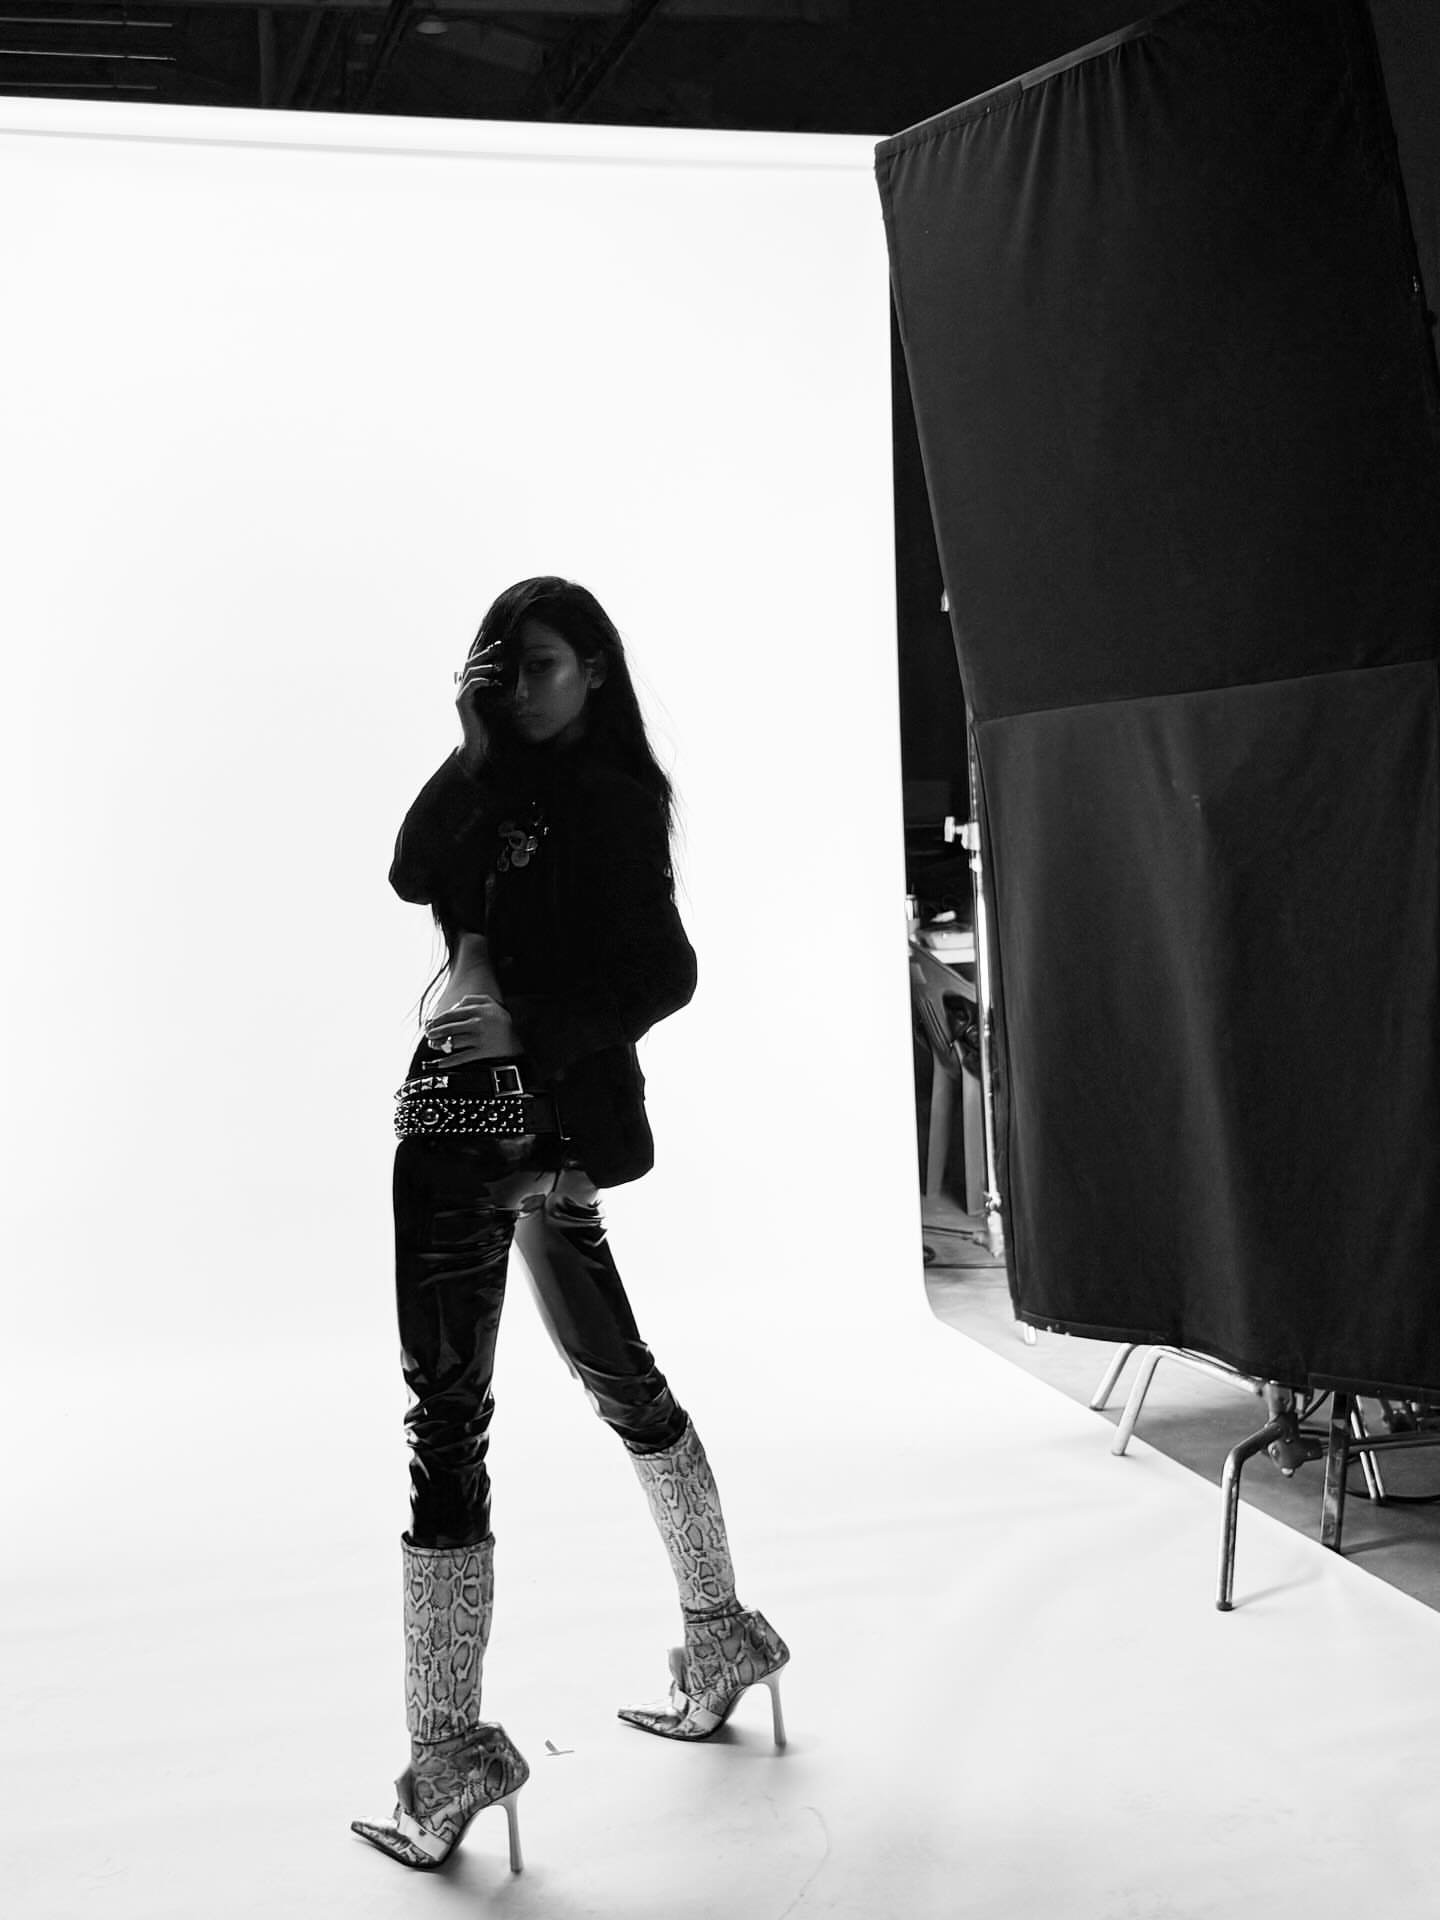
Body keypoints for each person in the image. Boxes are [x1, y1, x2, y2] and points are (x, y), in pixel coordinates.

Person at [351, 577, 789, 1874]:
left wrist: (523, 1027)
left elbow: (665, 971)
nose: (524, 685)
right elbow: (409, 871)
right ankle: (721, 1632)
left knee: (446, 1420)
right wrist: (474, 742)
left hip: (490, 1122)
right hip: (531, 1133)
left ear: (596, 668)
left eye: (542, 665)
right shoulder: (501, 782)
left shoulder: (611, 796)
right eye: (505, 667)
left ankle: (448, 1759)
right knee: (614, 1374)